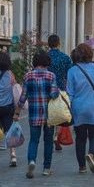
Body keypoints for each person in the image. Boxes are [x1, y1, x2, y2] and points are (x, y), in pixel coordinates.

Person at [66, 43, 94, 174]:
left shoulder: (72, 71)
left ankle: (82, 167)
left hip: (78, 107)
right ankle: (91, 154)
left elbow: (70, 92)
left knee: (80, 138)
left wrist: (68, 108)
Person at [23, 49, 62, 178]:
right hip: (49, 114)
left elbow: (23, 96)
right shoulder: (51, 76)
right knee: (48, 141)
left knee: (34, 140)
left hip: (34, 113)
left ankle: (31, 161)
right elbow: (54, 94)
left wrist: (17, 113)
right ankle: (46, 168)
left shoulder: (28, 76)